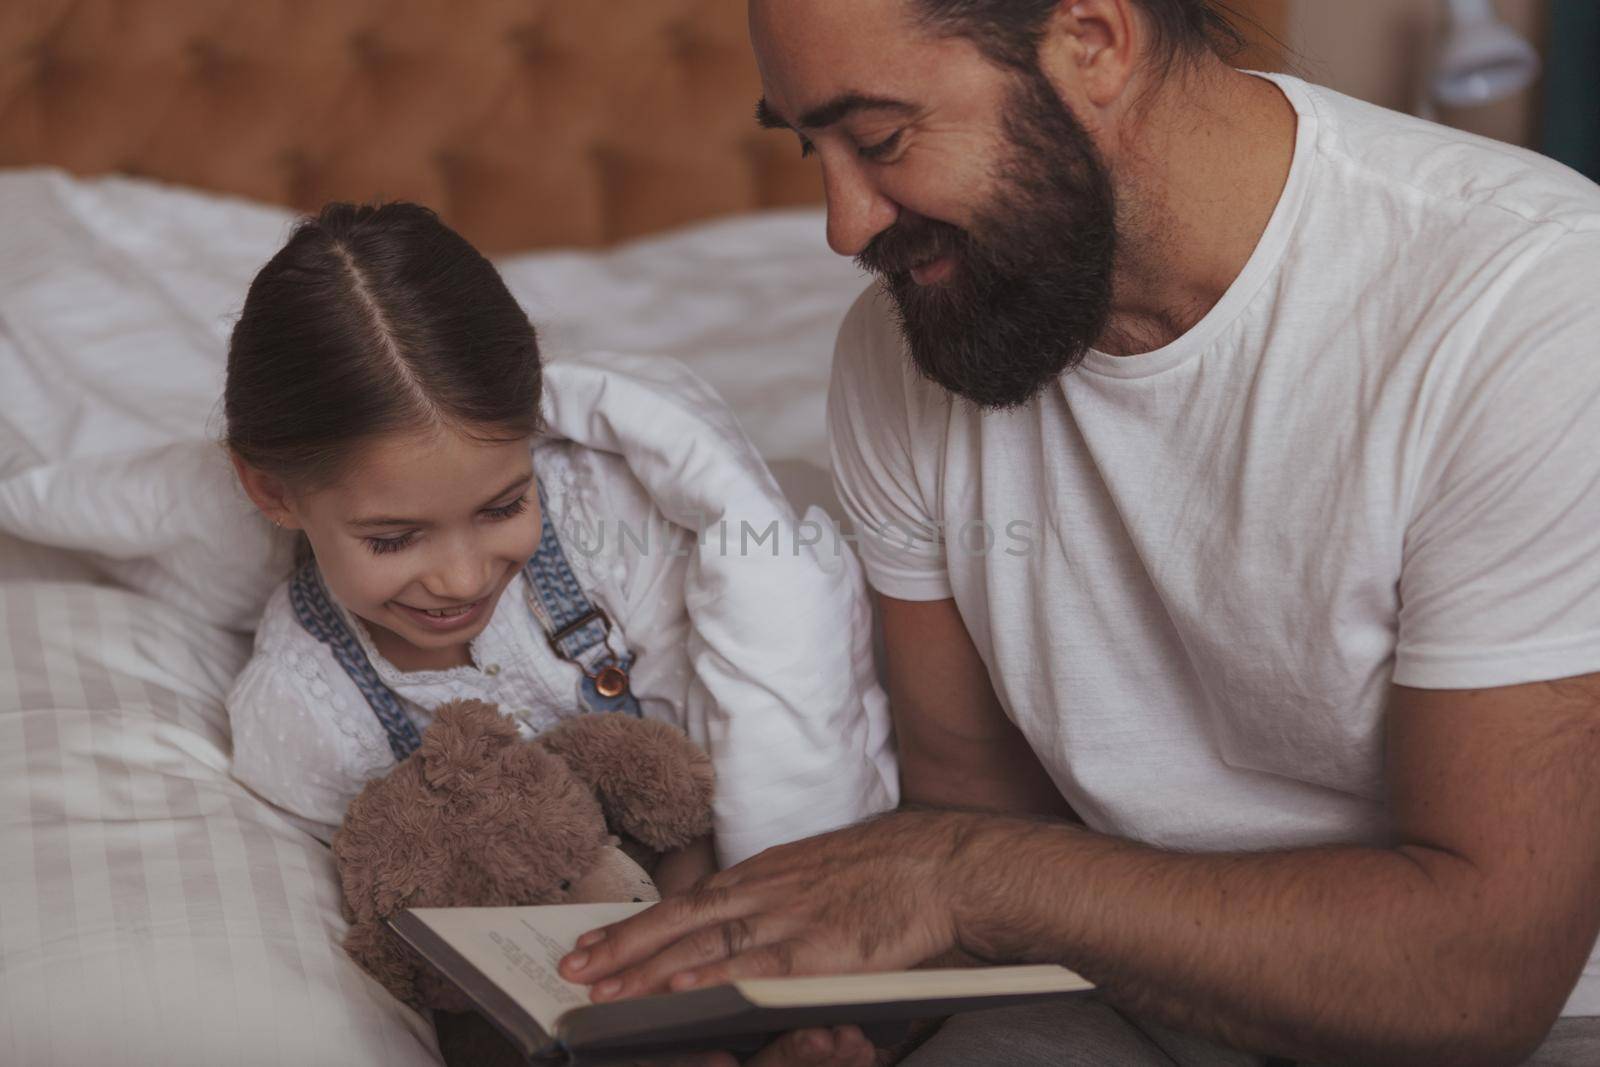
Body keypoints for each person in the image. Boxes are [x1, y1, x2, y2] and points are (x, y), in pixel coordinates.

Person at [558, 1, 1600, 1064]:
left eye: (878, 140)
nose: (843, 225)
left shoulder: (1525, 305)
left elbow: (1479, 978)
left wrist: (960, 872)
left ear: (1092, 45)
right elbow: (970, 812)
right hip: (1106, 975)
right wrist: (788, 1000)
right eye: (809, 146)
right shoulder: (906, 351)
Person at [221, 202, 892, 901]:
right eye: (392, 539)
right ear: (272, 491)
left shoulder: (610, 522)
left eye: (505, 506)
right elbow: (392, 897)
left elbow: (744, 757)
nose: (463, 577)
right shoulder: (305, 711)